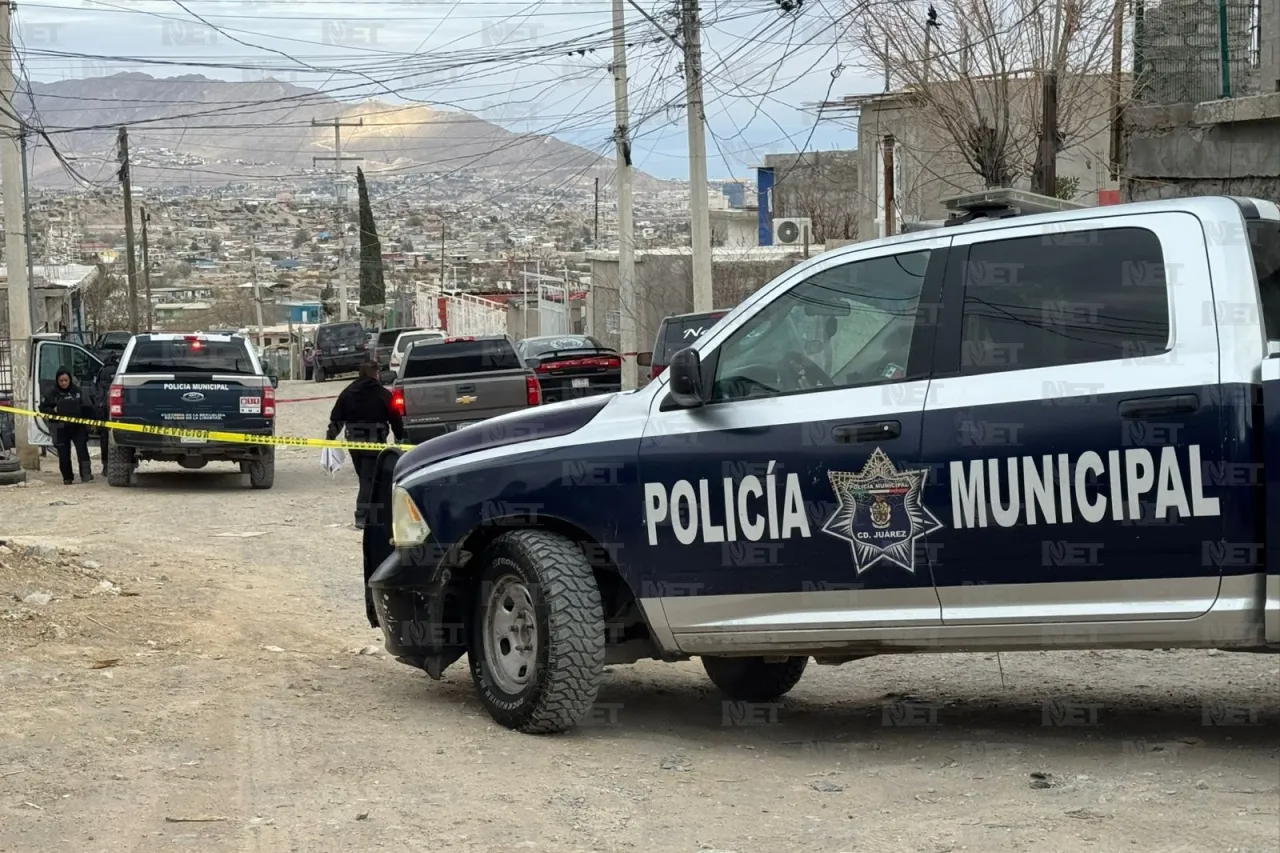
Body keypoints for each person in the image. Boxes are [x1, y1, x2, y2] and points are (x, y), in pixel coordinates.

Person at [325, 360, 405, 529]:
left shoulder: (348, 392)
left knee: (365, 477)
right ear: (375, 374)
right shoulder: (382, 393)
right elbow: (394, 418)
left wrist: (330, 437)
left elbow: (337, 418)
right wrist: (401, 437)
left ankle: (372, 515)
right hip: (374, 440)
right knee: (369, 479)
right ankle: (364, 516)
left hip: (354, 441)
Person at [39, 368, 94, 485]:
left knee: (82, 450)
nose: (64, 383)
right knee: (63, 453)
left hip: (78, 427)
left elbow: (87, 407)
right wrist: (53, 410)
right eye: (61, 380)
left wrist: (92, 422)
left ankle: (86, 475)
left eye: (66, 380)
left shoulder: (77, 391)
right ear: (57, 381)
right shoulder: (52, 393)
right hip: (60, 428)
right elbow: (42, 408)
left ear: (70, 379)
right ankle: (67, 477)